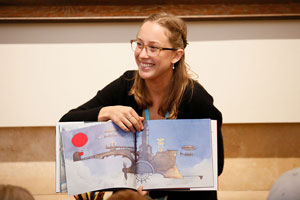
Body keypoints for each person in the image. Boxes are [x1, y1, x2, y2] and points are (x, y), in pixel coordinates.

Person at [60, 12, 224, 200]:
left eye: (153, 47)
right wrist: (106, 112)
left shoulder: (196, 99)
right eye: (139, 44)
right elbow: (66, 121)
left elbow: (215, 166)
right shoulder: (125, 85)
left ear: (176, 55)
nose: (143, 54)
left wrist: (155, 188)